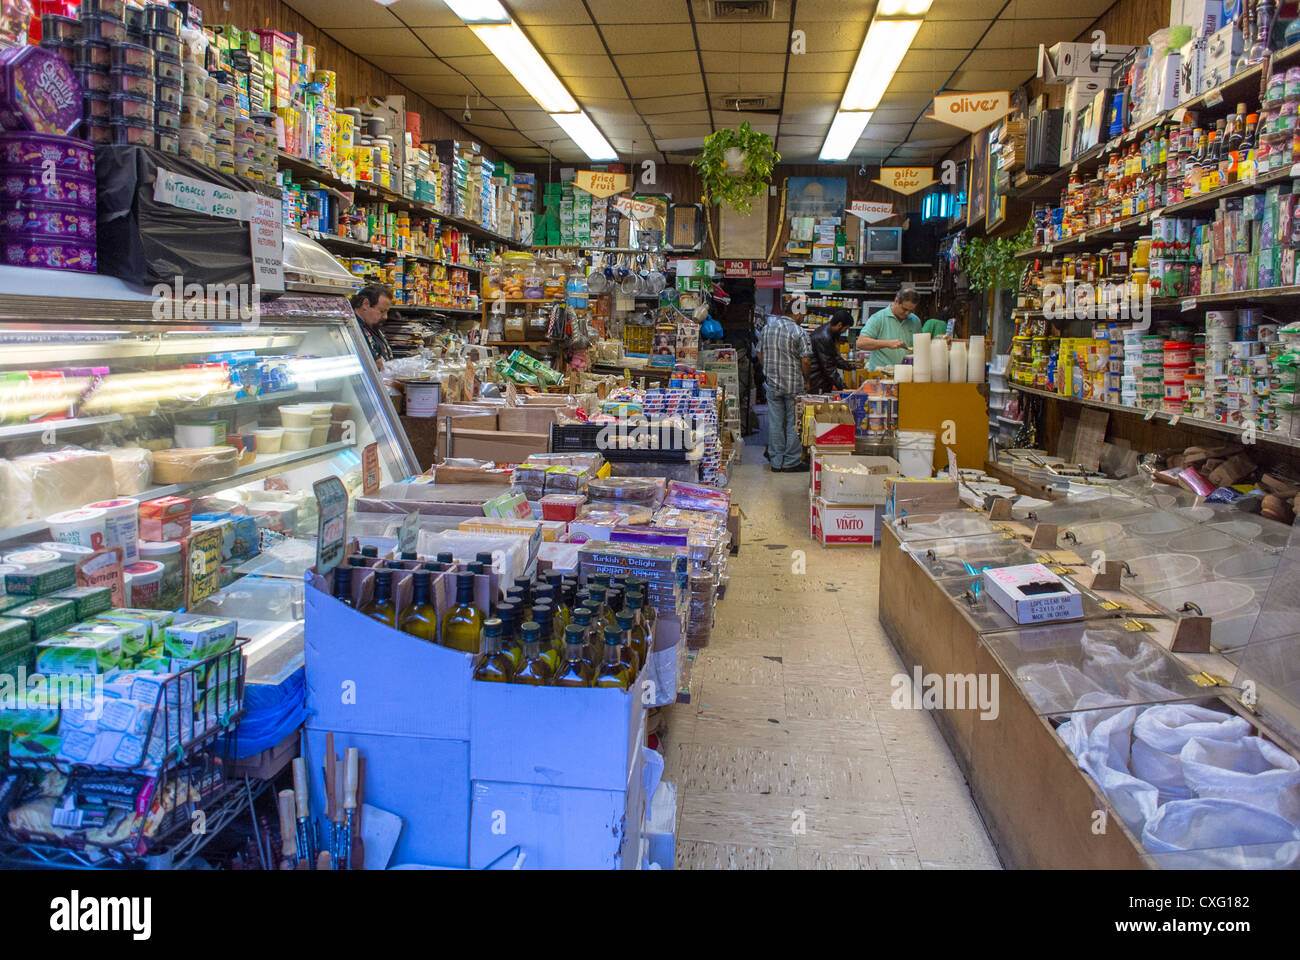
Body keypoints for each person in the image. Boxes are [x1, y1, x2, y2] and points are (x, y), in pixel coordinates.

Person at [756, 312, 812, 473]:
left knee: (775, 423)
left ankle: (776, 461)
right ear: (796, 312)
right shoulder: (798, 331)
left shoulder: (767, 329)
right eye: (803, 314)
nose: (804, 317)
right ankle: (791, 462)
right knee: (793, 423)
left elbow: (759, 353)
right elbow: (806, 360)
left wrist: (769, 370)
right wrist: (807, 380)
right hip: (794, 385)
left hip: (773, 385)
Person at [857, 288, 923, 371]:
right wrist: (887, 343)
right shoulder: (878, 318)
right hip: (881, 374)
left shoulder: (915, 320)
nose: (907, 313)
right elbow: (861, 343)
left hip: (906, 374)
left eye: (911, 310)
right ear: (896, 301)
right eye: (905, 309)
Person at [808, 309, 863, 393]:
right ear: (840, 325)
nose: (845, 331)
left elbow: (835, 357)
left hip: (822, 380)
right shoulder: (824, 337)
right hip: (816, 382)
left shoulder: (829, 332)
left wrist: (851, 366)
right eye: (846, 328)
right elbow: (829, 367)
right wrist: (844, 389)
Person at [352, 283, 393, 367]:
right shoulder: (351, 327)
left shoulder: (372, 326)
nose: (385, 317)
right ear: (365, 304)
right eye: (381, 311)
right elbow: (376, 364)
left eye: (386, 312)